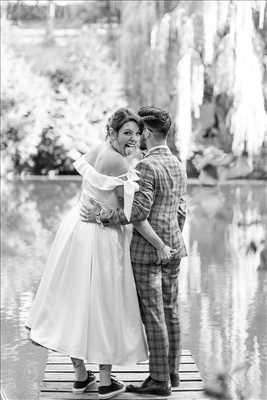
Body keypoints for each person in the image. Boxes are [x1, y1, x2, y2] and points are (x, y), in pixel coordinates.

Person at [27, 108, 174, 399]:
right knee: (107, 304)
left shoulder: (98, 149)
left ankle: (81, 376)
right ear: (113, 132)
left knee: (76, 302)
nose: (133, 138)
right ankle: (105, 381)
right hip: (101, 238)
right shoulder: (117, 161)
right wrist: (160, 244)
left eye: (136, 132)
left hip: (75, 232)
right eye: (126, 133)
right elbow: (135, 216)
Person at [81, 106, 187, 397]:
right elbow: (181, 208)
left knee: (153, 315)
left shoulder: (145, 166)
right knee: (171, 311)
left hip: (148, 251)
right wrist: (172, 239)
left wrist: (103, 216)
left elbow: (137, 213)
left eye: (141, 132)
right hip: (174, 246)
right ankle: (174, 374)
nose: (137, 137)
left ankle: (158, 380)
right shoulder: (177, 163)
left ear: (149, 134)